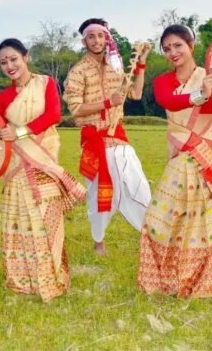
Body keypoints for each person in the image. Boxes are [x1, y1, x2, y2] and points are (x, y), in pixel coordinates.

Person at [137, 25, 212, 298]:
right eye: (167, 48)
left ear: (191, 45)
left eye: (178, 46)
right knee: (162, 215)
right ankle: (168, 274)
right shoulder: (162, 81)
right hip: (184, 151)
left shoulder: (211, 76)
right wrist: (201, 94)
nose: (173, 52)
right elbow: (169, 102)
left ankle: (207, 278)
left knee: (209, 216)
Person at [0, 38, 86, 302]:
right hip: (16, 166)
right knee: (20, 219)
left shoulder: (45, 83)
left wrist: (19, 131)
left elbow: (53, 115)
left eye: (14, 59)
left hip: (43, 158)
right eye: (3, 62)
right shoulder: (4, 97)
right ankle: (23, 277)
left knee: (46, 218)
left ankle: (51, 275)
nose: (10, 65)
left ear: (26, 57)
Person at [62, 18, 151, 255]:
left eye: (101, 35)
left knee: (136, 182)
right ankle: (98, 241)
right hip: (94, 139)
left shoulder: (117, 66)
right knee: (98, 193)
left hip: (118, 136)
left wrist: (140, 65)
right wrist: (105, 103)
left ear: (107, 38)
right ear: (84, 41)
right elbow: (75, 108)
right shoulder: (78, 72)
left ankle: (151, 232)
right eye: (91, 36)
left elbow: (136, 93)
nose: (97, 40)